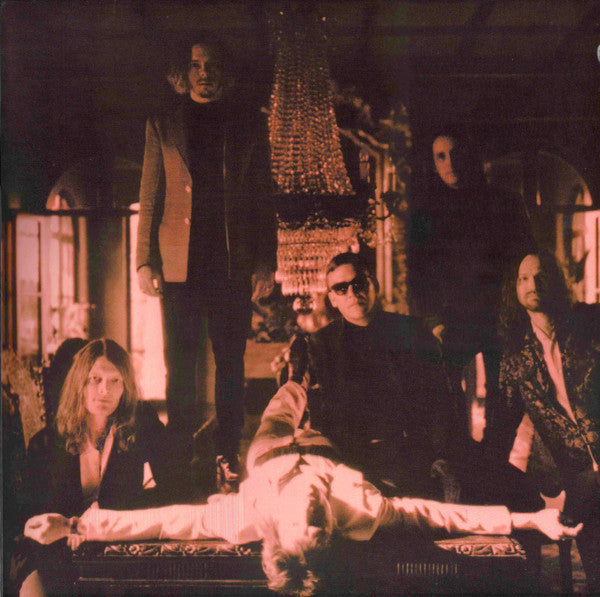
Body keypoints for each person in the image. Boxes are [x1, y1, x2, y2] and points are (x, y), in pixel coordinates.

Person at [25, 380, 581, 597]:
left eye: (301, 522)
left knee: (283, 402)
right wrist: (530, 519)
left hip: (269, 453)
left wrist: (74, 525)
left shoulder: (249, 516)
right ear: (332, 527)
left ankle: (293, 381)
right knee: (325, 403)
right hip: (330, 450)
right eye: (320, 522)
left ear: (280, 531)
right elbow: (440, 516)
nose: (311, 509)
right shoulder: (362, 510)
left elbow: (169, 521)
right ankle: (308, 382)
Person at [136, 38, 277, 487]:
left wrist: (266, 261)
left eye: (212, 65)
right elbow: (150, 196)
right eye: (196, 65)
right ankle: (179, 459)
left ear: (224, 71)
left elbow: (263, 198)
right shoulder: (162, 124)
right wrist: (144, 261)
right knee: (179, 365)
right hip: (178, 267)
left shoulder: (248, 124)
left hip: (231, 265)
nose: (204, 73)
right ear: (185, 72)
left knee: (230, 362)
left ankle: (226, 454)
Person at [296, 252, 465, 500]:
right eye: (341, 288)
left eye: (358, 284)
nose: (352, 293)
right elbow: (322, 417)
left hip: (416, 459)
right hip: (353, 466)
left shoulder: (413, 332)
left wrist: (441, 458)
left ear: (373, 284)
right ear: (332, 298)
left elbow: (442, 401)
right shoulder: (321, 344)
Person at [408, 128, 535, 444]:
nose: (449, 163)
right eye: (441, 156)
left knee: (505, 396)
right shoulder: (426, 213)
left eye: (455, 154)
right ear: (433, 162)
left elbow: (526, 259)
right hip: (451, 321)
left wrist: (519, 313)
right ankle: (459, 458)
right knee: (443, 393)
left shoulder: (506, 203)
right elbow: (418, 273)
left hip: (500, 318)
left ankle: (494, 459)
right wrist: (433, 321)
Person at [16, 339, 170, 596]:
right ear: (80, 383)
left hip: (120, 553)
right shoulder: (46, 443)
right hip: (58, 556)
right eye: (95, 379)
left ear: (125, 386)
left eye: (114, 381)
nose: (104, 391)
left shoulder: (142, 423)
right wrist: (73, 527)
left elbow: (172, 487)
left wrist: (102, 521)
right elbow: (37, 517)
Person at [492, 250, 600, 591]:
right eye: (523, 278)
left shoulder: (588, 325)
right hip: (578, 472)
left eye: (540, 276)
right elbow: (503, 422)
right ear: (514, 289)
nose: (533, 285)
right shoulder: (514, 355)